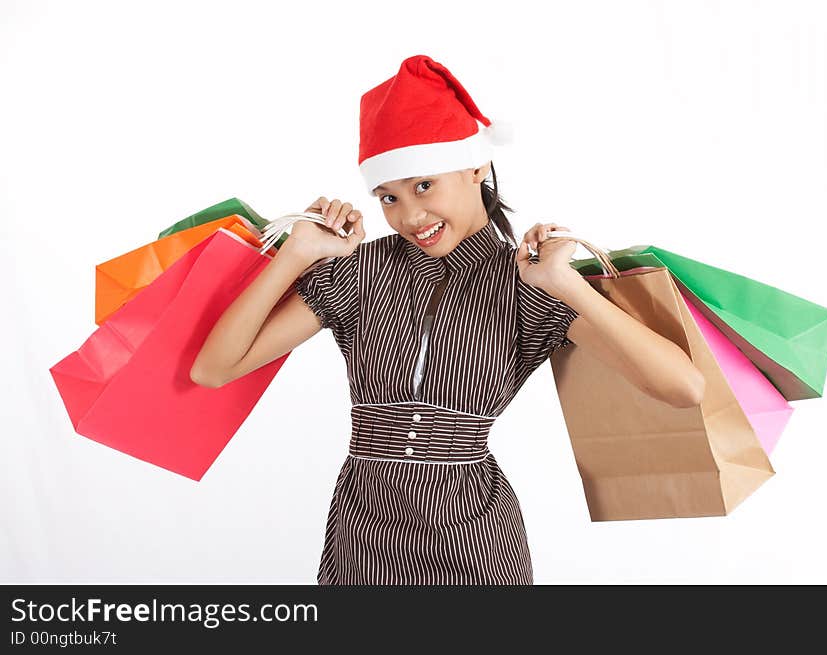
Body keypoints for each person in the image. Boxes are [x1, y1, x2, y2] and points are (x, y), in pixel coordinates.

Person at [190, 54, 705, 584]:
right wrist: (296, 254)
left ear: (475, 167)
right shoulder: (361, 271)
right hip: (361, 533)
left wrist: (568, 283)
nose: (410, 216)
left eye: (423, 186)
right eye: (388, 197)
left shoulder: (529, 283)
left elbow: (684, 388)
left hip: (474, 534)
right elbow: (214, 370)